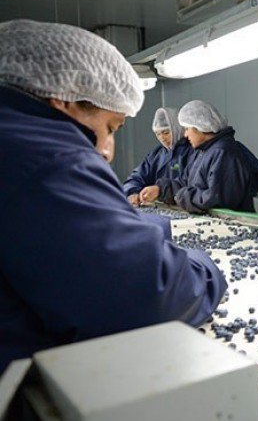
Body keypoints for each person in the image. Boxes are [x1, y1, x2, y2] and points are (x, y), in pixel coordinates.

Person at [0, 19, 227, 371]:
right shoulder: (49, 157)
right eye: (109, 127)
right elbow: (147, 295)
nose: (107, 151)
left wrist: (139, 230)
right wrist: (203, 265)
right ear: (64, 98)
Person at [141, 100, 258, 213]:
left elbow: (217, 198)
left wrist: (181, 196)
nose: (185, 135)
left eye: (187, 129)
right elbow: (185, 181)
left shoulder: (223, 152)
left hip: (230, 223)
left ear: (200, 127)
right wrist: (161, 189)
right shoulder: (200, 152)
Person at [123, 107, 193, 205]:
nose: (162, 138)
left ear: (177, 128)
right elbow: (137, 176)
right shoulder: (156, 155)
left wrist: (160, 189)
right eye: (158, 134)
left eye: (166, 132)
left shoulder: (192, 151)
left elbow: (191, 182)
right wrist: (132, 192)